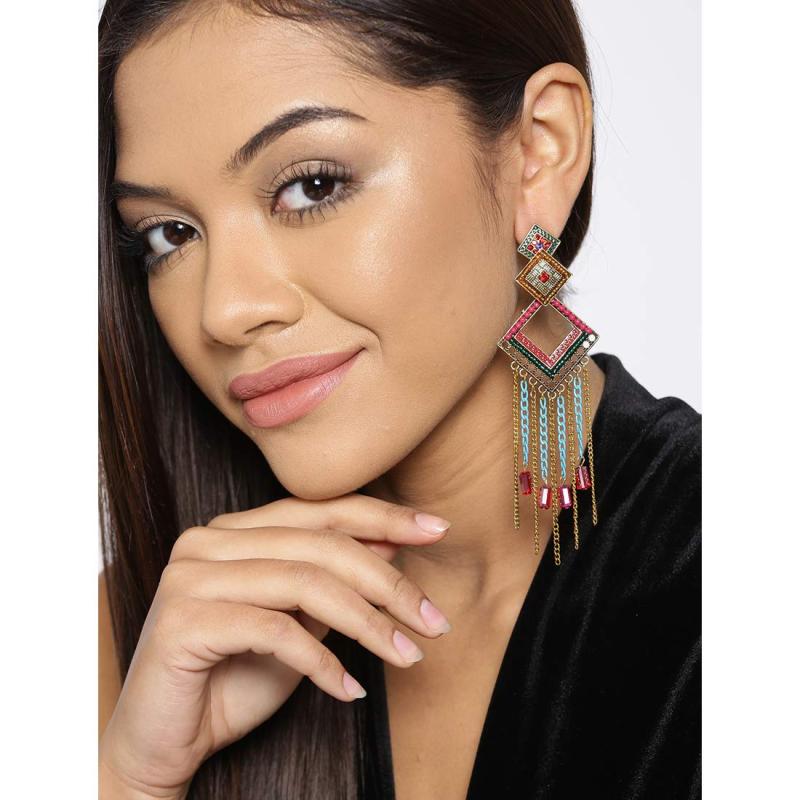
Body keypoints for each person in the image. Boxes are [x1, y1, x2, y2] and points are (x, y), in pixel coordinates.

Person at [98, 1, 701, 798]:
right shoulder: (154, 633)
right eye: (169, 235)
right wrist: (133, 779)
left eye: (311, 186)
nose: (225, 311)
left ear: (537, 152)